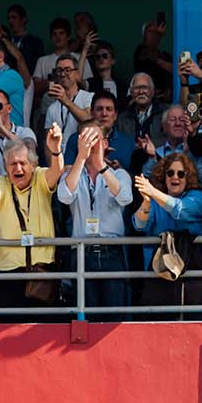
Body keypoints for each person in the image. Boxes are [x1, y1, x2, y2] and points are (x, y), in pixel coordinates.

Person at [0, 129, 64, 316]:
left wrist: (55, 151)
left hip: (42, 269)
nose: (18, 169)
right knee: (10, 329)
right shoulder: (2, 182)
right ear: (6, 167)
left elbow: (56, 172)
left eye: (23, 163)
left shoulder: (40, 176)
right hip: (9, 271)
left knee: (40, 331)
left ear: (33, 165)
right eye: (12, 164)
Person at [57, 124, 134, 316]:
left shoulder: (119, 174)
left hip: (112, 251)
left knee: (114, 317)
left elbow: (125, 198)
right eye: (86, 138)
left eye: (95, 138)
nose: (91, 143)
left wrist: (101, 167)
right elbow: (64, 196)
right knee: (86, 317)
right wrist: (81, 157)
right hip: (83, 253)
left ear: (106, 143)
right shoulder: (70, 174)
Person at [130, 150, 202, 315]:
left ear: (188, 177)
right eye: (170, 173)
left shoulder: (197, 197)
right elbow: (139, 225)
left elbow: (181, 210)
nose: (175, 177)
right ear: (163, 176)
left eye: (181, 173)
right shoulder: (155, 199)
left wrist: (153, 192)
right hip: (158, 274)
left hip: (190, 274)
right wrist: (146, 202)